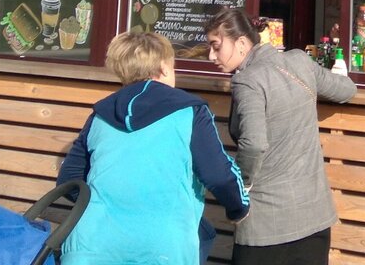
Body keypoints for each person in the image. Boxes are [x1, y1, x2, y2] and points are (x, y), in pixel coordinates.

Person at [57, 31, 250, 264]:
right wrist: (239, 208)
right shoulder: (189, 111)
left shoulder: (100, 115)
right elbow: (218, 175)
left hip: (90, 247)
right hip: (162, 250)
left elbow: (69, 180)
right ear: (164, 68)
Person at [204, 8, 357, 265]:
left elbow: (253, 144)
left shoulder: (247, 81)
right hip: (315, 218)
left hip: (266, 227)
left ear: (241, 43)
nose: (211, 56)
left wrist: (240, 189)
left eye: (216, 46)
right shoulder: (299, 61)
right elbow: (347, 90)